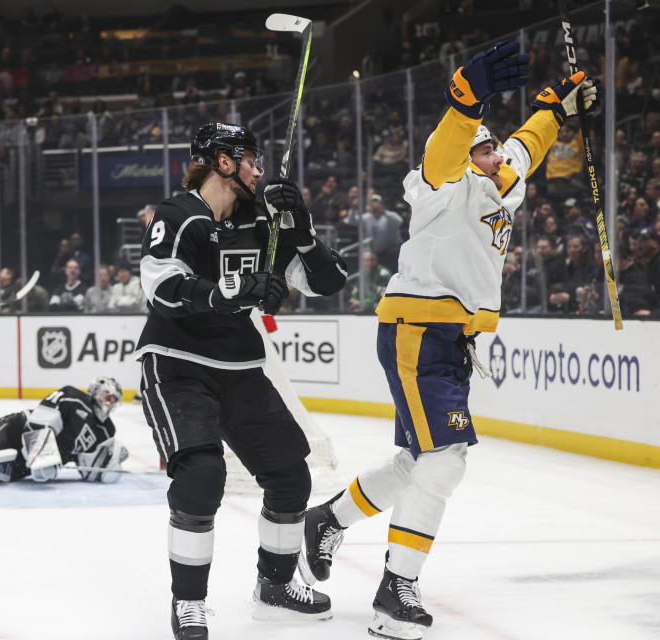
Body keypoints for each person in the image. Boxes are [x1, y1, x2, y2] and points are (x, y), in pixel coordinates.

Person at [299, 42, 599, 640]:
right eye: (478, 147)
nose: (487, 155)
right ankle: (395, 590)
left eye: (489, 147)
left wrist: (556, 107)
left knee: (418, 463)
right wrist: (465, 105)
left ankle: (326, 520)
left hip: (449, 339)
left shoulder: (502, 179)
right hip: (417, 330)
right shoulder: (439, 183)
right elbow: (444, 150)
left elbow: (528, 143)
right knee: (445, 460)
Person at [135, 122, 348, 638]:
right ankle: (188, 603)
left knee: (291, 476)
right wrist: (234, 289)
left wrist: (302, 232)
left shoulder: (264, 220)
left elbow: (330, 283)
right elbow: (161, 286)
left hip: (240, 367)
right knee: (202, 477)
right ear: (224, 163)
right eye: (250, 159)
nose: (259, 168)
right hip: (177, 364)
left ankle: (274, 586)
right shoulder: (178, 215)